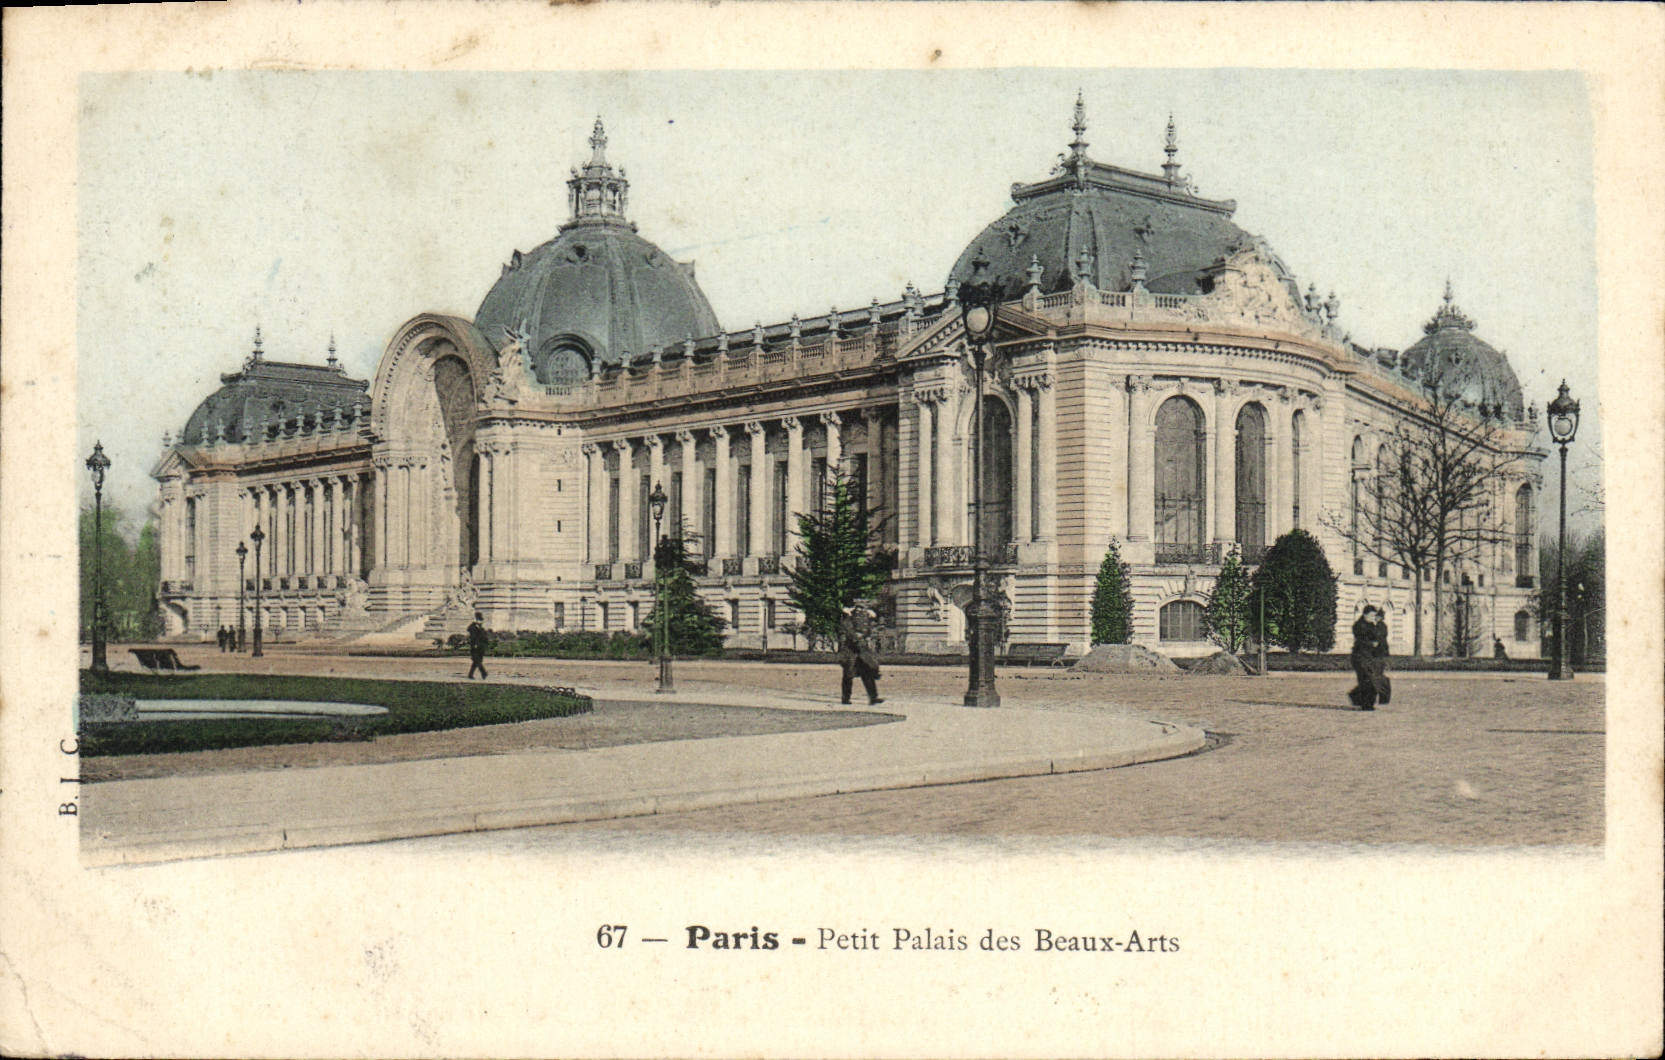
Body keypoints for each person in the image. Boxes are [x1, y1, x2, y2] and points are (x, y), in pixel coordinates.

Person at [836, 605, 884, 706]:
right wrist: (857, 637)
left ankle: (873, 697)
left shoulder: (864, 619)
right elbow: (848, 630)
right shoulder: (847, 619)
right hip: (850, 651)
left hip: (861, 652)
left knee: (867, 674)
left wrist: (863, 636)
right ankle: (845, 698)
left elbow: (868, 630)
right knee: (848, 675)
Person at [1348, 605, 1383, 710]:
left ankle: (1364, 701)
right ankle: (1365, 704)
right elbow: (1360, 641)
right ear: (1365, 614)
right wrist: (1371, 644)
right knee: (1366, 680)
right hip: (1359, 657)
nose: (1373, 617)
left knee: (1371, 680)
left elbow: (1377, 638)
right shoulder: (1359, 625)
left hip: (1369, 657)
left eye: (1374, 615)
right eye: (1372, 615)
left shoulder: (1371, 625)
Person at [1371, 608, 1392, 706]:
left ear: (1379, 617)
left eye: (1376, 616)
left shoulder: (1379, 627)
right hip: (1381, 653)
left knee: (1376, 675)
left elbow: (1376, 640)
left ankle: (1382, 696)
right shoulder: (1382, 626)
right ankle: (1383, 698)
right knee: (1378, 674)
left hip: (1378, 654)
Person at [466, 611, 489, 680]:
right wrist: (475, 644)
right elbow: (473, 637)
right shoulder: (472, 627)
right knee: (477, 660)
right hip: (475, 646)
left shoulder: (481, 628)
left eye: (481, 620)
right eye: (479, 620)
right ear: (476, 620)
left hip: (481, 647)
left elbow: (484, 637)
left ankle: (470, 674)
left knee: (477, 661)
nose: (481, 621)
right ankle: (483, 672)